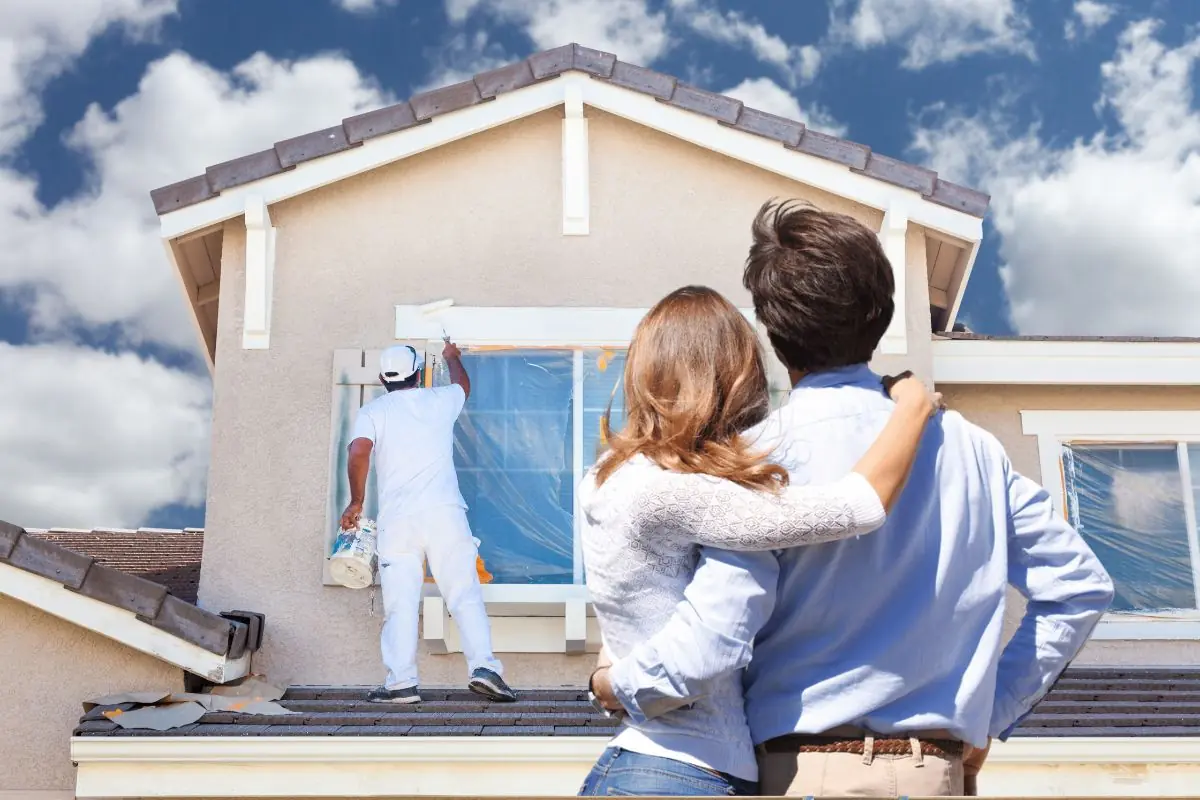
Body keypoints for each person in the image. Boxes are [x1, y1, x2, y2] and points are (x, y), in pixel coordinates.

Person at [589, 201, 1115, 796]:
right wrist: (990, 711)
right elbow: (1079, 587)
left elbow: (719, 625)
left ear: (771, 327)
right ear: (882, 315)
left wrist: (615, 684)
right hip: (936, 774)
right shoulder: (975, 452)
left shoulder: (748, 463)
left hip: (801, 771)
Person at [577, 285, 943, 797]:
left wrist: (606, 679)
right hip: (678, 773)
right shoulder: (678, 492)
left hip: (655, 765)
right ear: (729, 378)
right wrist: (912, 404)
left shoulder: (611, 476)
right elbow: (858, 505)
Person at [340, 341, 517, 704]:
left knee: (400, 604)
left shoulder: (372, 411)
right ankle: (485, 668)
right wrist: (452, 358)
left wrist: (356, 501)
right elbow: (463, 386)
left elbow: (358, 451)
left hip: (398, 522)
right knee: (464, 594)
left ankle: (401, 683)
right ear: (419, 374)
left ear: (381, 380)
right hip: (444, 515)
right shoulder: (439, 401)